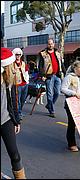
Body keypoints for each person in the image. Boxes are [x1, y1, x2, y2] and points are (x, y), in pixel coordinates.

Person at [1, 47, 26, 179]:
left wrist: (16, 121)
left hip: (6, 121)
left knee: (15, 155)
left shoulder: (10, 81)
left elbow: (14, 103)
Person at [38, 38, 66, 118]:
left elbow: (61, 63)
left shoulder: (58, 53)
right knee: (49, 94)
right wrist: (42, 75)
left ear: (54, 44)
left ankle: (49, 105)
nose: (50, 45)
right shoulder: (42, 54)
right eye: (49, 44)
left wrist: (65, 72)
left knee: (57, 93)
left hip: (57, 75)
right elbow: (40, 66)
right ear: (47, 44)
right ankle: (52, 111)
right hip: (48, 76)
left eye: (52, 43)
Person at [12, 48, 29, 121]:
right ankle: (18, 114)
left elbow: (26, 72)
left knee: (23, 99)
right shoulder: (12, 64)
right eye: (16, 54)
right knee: (17, 100)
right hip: (17, 84)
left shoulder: (23, 63)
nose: (18, 56)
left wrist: (27, 81)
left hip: (25, 84)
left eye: (19, 54)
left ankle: (20, 111)